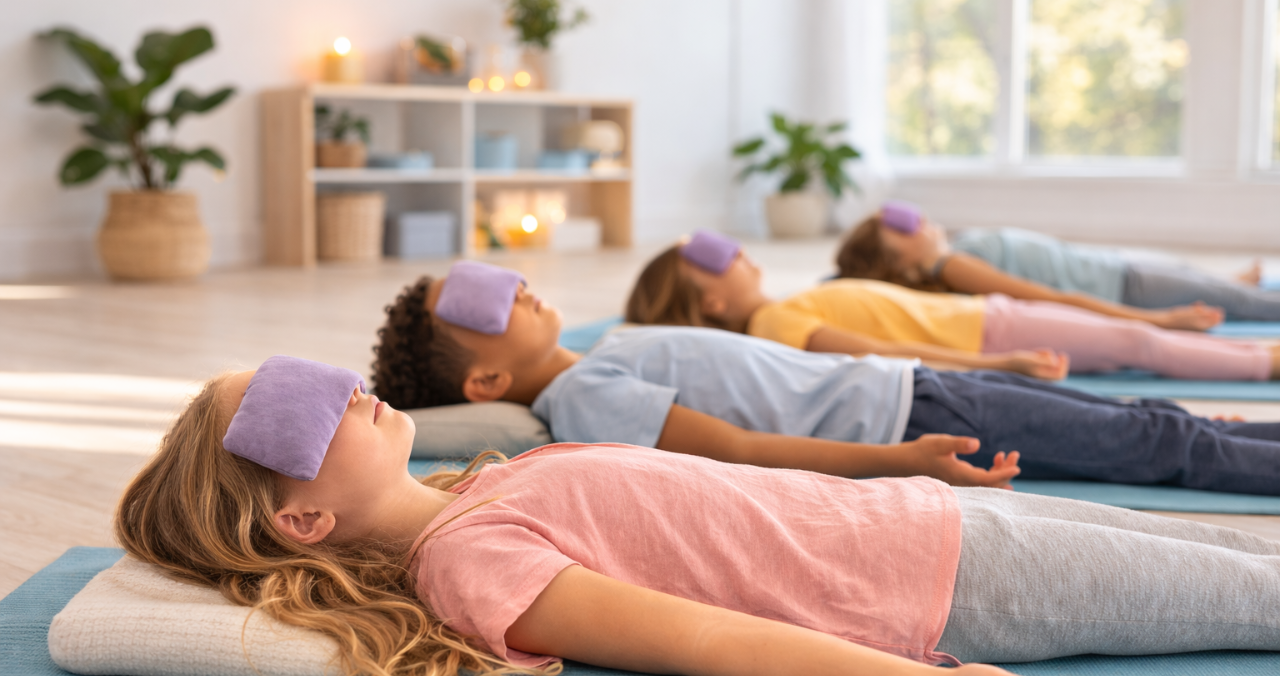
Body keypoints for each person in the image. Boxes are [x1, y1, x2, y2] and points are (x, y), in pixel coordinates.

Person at [118, 355, 1280, 676]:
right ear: (302, 519)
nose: (340, 387)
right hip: (954, 581)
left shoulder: (491, 481)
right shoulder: (469, 561)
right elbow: (707, 640)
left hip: (939, 517)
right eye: (296, 414)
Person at [372, 263, 1280, 495]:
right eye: (482, 304)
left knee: (1153, 419)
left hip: (910, 381)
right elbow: (740, 451)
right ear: (486, 380)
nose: (513, 286)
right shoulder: (580, 398)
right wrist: (900, 461)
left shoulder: (603, 351)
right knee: (1154, 440)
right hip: (907, 416)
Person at [625, 233, 1280, 382]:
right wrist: (998, 364)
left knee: (1124, 340)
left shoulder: (789, 302)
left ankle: (1259, 355)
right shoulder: (772, 323)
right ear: (711, 300)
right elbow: (879, 352)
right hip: (988, 333)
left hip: (989, 318)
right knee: (1134, 345)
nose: (738, 252)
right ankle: (1263, 364)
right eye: (716, 259)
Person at [837, 209, 1280, 325]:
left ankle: (1223, 280)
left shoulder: (956, 250)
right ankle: (1229, 287)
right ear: (899, 265)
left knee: (1203, 277)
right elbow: (1051, 299)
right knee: (1254, 306)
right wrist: (1159, 321)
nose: (917, 222)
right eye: (902, 231)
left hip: (1114, 266)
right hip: (1125, 288)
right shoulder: (954, 267)